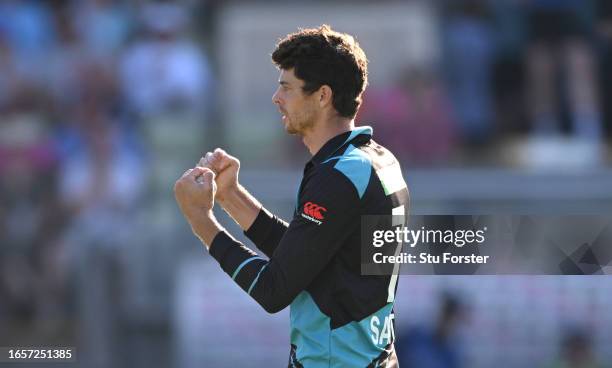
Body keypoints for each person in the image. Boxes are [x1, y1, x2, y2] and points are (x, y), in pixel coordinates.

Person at [174, 25, 409, 367]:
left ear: (323, 96)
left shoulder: (337, 175)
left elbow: (273, 289)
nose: (276, 98)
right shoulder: (375, 160)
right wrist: (231, 196)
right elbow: (306, 256)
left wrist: (201, 222)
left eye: (287, 87)